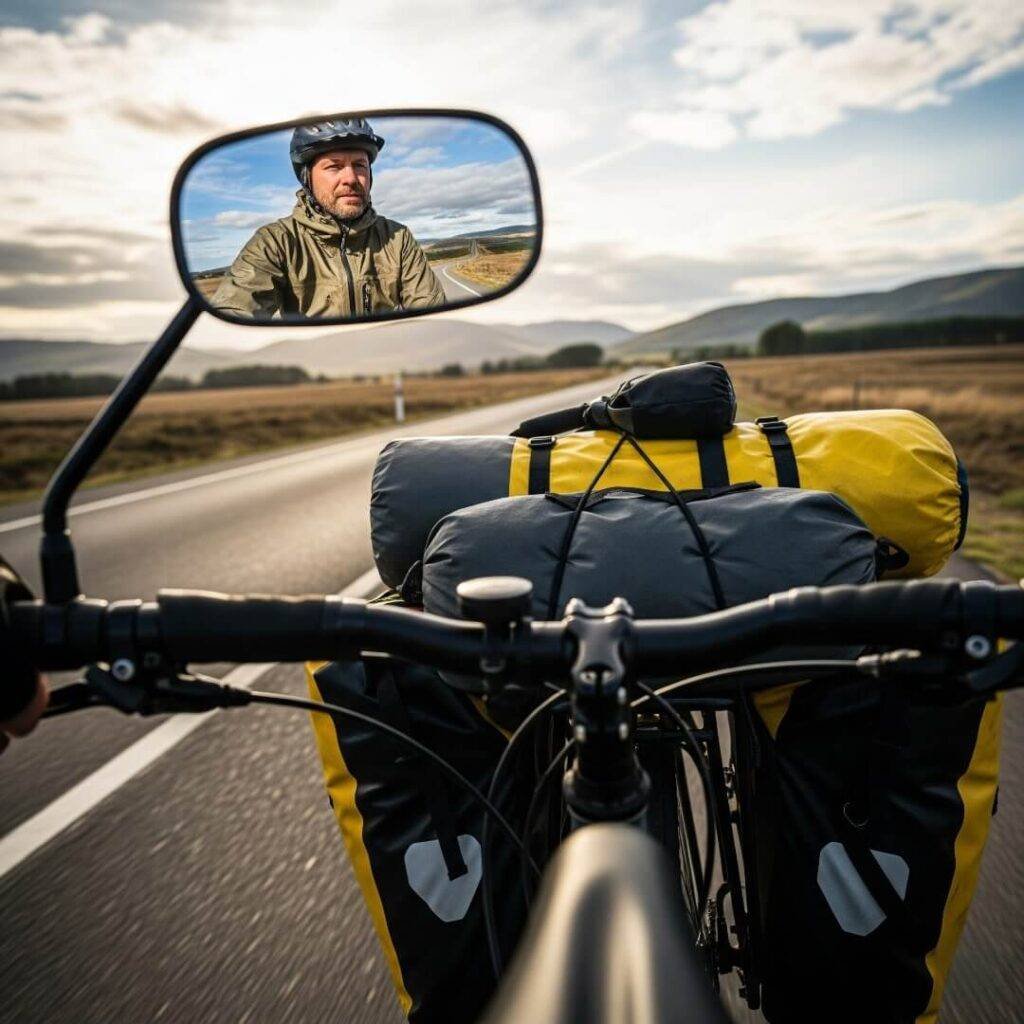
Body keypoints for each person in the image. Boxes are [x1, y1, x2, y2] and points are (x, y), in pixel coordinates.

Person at [210, 118, 446, 319]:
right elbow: (233, 310)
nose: (351, 178)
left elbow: (433, 316)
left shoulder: (397, 238)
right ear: (307, 177)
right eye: (334, 167)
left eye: (360, 165)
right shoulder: (275, 242)